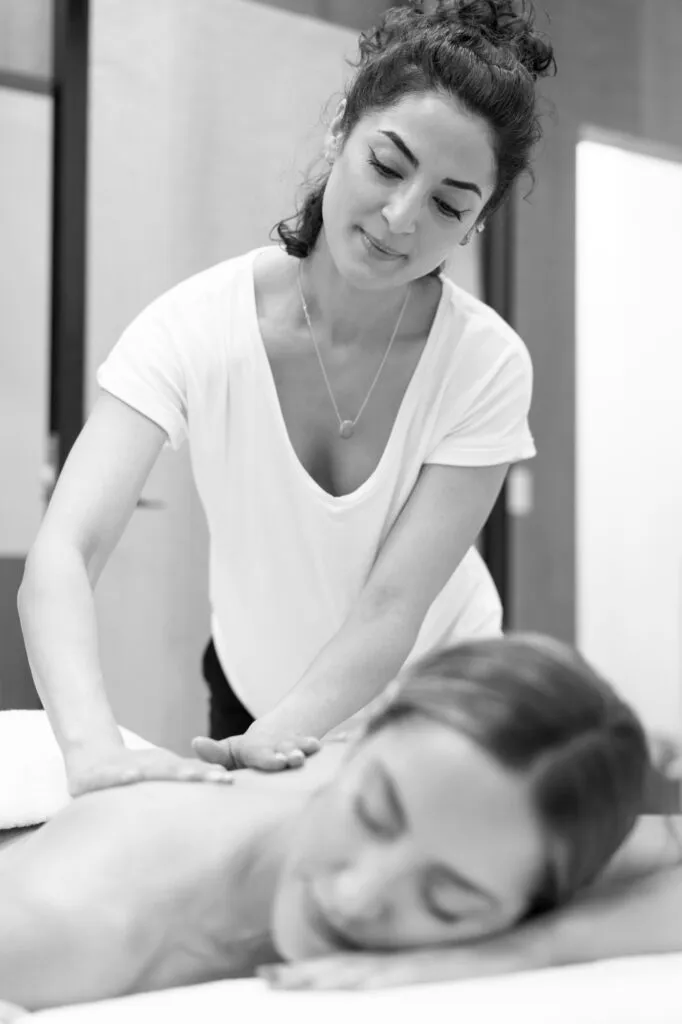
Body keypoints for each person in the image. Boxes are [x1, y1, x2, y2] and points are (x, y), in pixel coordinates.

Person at [18, 0, 557, 793]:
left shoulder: (485, 364)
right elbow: (65, 550)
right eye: (388, 165)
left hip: (443, 709)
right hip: (253, 691)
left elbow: (392, 606)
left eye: (448, 204)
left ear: (477, 221)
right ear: (341, 129)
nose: (400, 218)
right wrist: (93, 751)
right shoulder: (195, 326)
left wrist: (265, 748)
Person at [0, 635, 661, 1011]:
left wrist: (520, 952)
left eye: (447, 901)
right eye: (373, 813)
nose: (356, 896)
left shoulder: (483, 816)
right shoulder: (78, 923)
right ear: (355, 739)